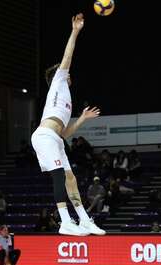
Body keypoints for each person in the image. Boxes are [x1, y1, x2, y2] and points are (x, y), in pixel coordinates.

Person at [31, 13, 105, 236]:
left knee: (70, 178)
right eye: (65, 70)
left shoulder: (65, 97)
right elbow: (68, 55)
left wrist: (81, 118)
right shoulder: (59, 80)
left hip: (55, 138)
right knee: (59, 176)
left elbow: (65, 133)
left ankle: (83, 220)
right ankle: (64, 221)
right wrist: (75, 31)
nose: (69, 72)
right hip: (43, 136)